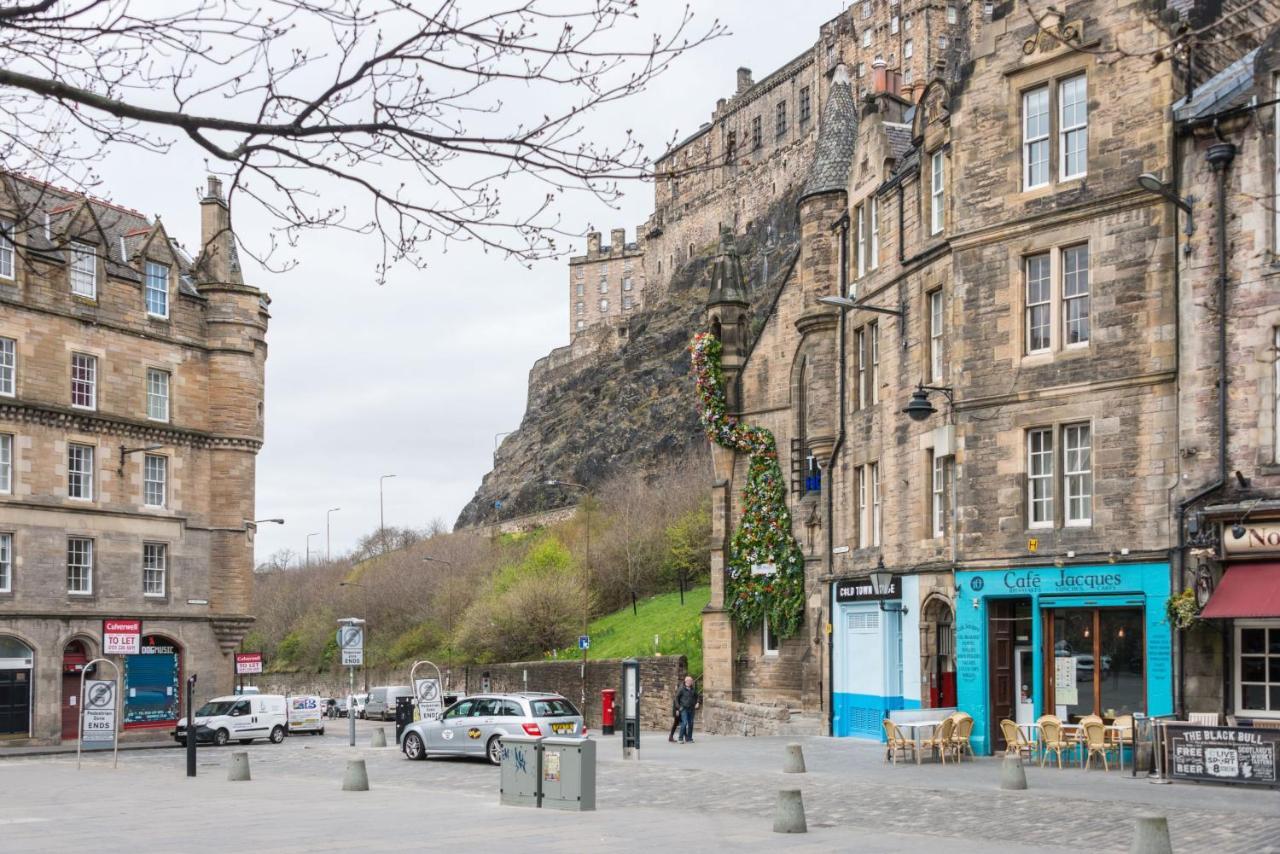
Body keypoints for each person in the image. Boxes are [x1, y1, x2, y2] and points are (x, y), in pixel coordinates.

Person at [673, 675, 700, 743]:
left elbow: (698, 696)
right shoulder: (681, 688)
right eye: (688, 680)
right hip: (683, 708)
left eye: (691, 681)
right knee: (684, 723)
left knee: (691, 723)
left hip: (691, 709)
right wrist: (678, 708)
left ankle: (689, 738)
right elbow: (676, 698)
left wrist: (698, 703)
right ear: (685, 681)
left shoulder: (693, 689)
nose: (689, 682)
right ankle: (680, 738)